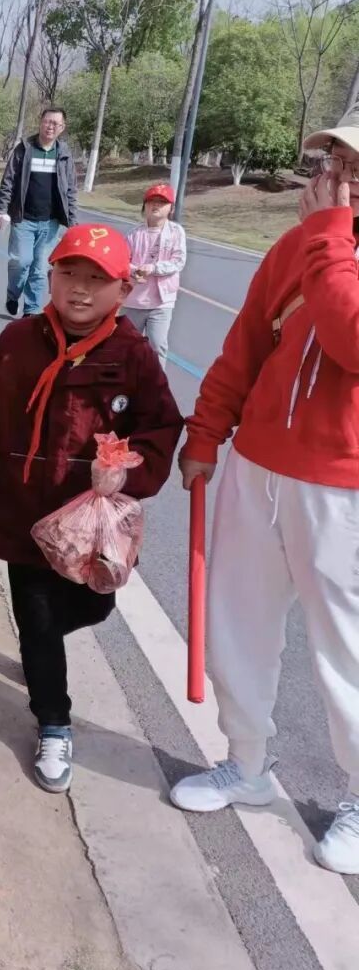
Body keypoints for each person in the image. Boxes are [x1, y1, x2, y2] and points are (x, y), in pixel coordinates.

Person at [170, 122, 359, 876]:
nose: (337, 172)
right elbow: (246, 343)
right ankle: (244, 762)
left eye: (353, 163)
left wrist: (328, 235)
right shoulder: (297, 245)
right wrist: (206, 432)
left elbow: (349, 338)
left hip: (344, 487)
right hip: (257, 467)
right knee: (237, 625)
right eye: (335, 159)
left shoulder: (319, 239)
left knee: (346, 649)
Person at [0, 224, 183, 793]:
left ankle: (42, 647)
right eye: (69, 273)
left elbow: (160, 427)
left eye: (96, 279)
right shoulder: (18, 340)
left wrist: (127, 467)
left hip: (87, 527)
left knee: (93, 608)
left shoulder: (133, 355)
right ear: (50, 276)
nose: (80, 288)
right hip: (25, 514)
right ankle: (54, 721)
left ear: (123, 289)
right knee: (36, 616)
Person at [0, 107, 78, 318]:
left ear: (62, 128)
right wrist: (2, 210)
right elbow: (8, 181)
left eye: (56, 124)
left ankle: (31, 311)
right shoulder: (25, 149)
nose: (50, 127)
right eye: (47, 121)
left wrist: (72, 222)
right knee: (20, 262)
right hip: (23, 219)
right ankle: (13, 294)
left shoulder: (64, 154)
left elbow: (70, 190)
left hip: (50, 222)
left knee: (40, 269)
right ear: (41, 122)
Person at [122, 182, 187, 368]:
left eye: (162, 202)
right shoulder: (134, 234)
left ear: (171, 208)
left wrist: (153, 268)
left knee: (157, 346)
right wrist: (134, 271)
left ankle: (157, 382)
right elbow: (123, 261)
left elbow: (178, 261)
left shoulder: (176, 232)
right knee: (128, 345)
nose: (156, 205)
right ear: (144, 206)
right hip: (134, 301)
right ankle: (127, 380)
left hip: (161, 302)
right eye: (151, 201)